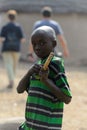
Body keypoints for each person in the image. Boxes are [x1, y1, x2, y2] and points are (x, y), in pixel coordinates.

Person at [17, 26, 72, 130]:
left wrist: (46, 81)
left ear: (54, 44)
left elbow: (67, 98)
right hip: (30, 125)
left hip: (46, 126)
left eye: (42, 43)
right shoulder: (37, 66)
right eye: (34, 44)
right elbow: (19, 89)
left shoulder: (55, 64)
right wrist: (29, 72)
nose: (37, 47)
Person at [0, 9, 26, 89]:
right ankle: (12, 80)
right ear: (15, 17)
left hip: (6, 48)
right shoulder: (18, 27)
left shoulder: (5, 27)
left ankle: (11, 80)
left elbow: (1, 38)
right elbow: (22, 39)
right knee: (14, 65)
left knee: (8, 64)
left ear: (8, 17)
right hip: (16, 49)